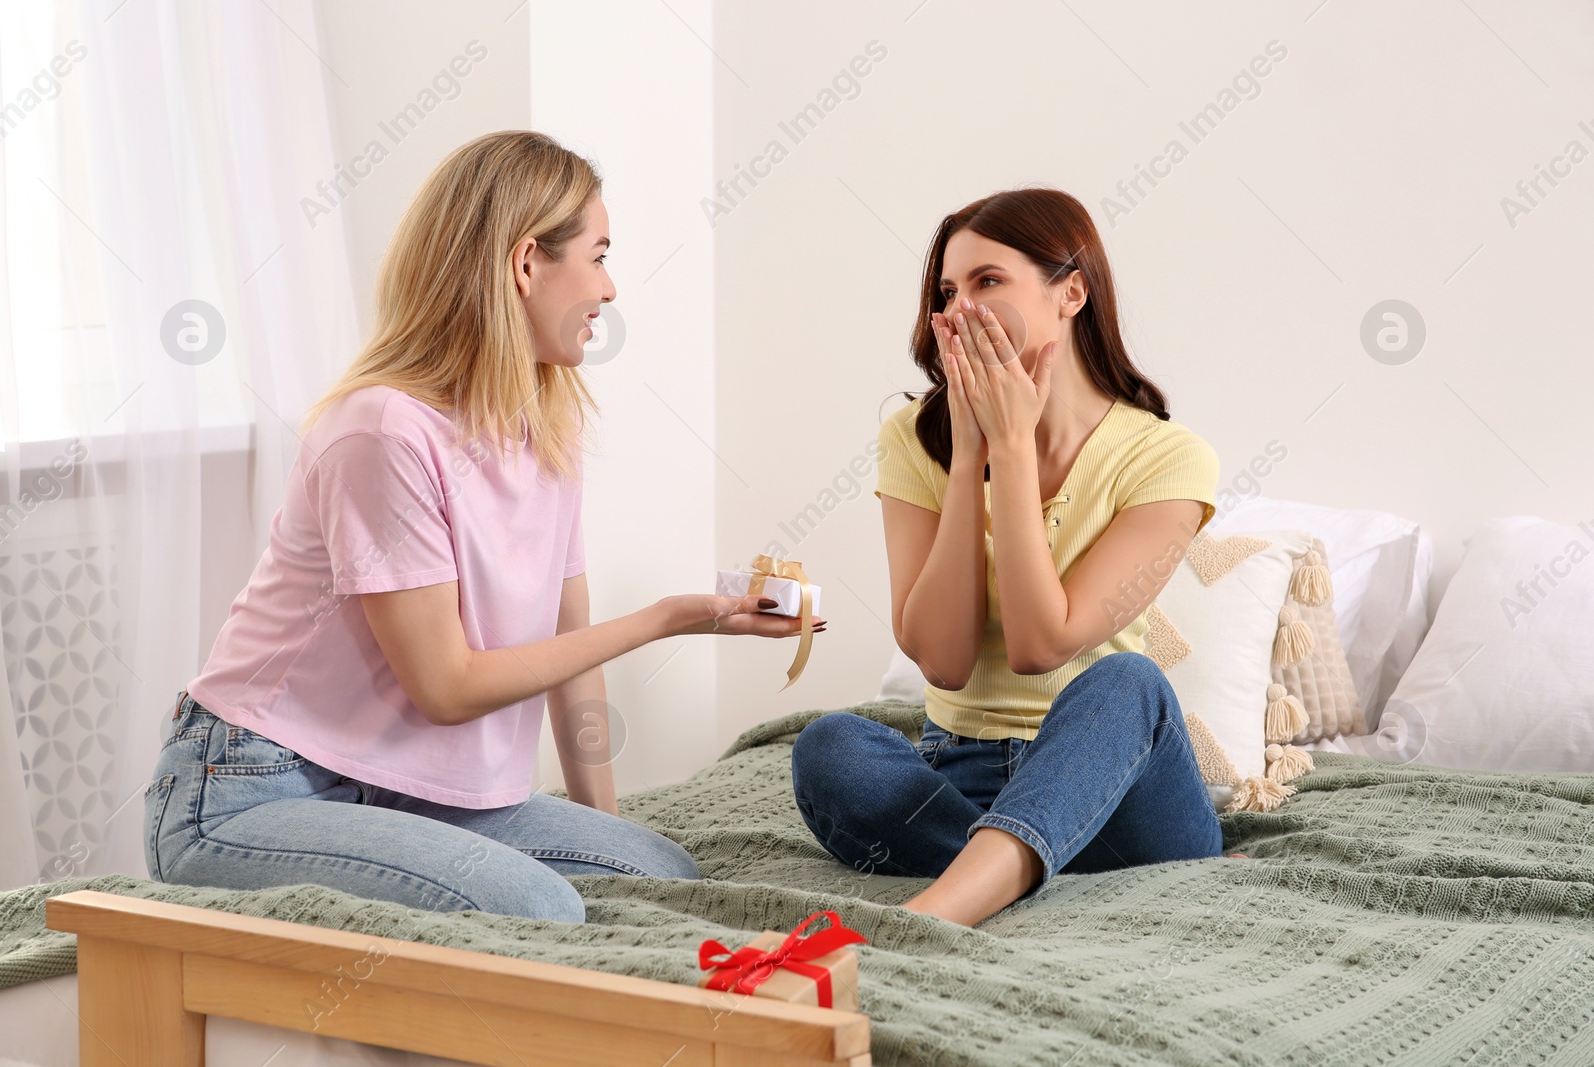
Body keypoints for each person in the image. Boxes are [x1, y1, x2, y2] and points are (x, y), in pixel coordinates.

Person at [144, 131, 821, 923]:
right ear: (528, 261)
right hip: (246, 789)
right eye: (599, 256)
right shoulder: (383, 434)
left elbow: (572, 660)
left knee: (660, 872)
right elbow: (447, 685)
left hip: (397, 790)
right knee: (536, 905)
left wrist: (601, 823)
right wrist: (670, 617)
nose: (610, 288)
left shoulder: (545, 433)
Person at [790, 187, 1222, 926]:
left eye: (988, 281)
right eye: (948, 291)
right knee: (831, 747)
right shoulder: (913, 438)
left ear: (1072, 292)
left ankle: (942, 906)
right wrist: (968, 457)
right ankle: (1023, 864)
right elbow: (944, 661)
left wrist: (1014, 448)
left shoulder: (1167, 457)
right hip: (961, 772)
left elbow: (1039, 643)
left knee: (1131, 680)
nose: (959, 310)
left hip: (1118, 792)